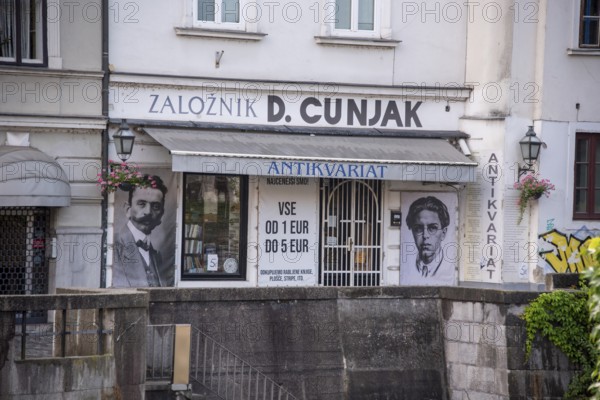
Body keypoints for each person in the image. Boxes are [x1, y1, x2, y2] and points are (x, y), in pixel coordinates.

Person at [112, 175, 170, 287]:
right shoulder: (112, 246)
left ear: (161, 214)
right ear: (128, 209)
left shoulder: (157, 256)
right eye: (141, 204)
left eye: (156, 206)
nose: (148, 212)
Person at [402, 196, 455, 285]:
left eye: (432, 228)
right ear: (412, 232)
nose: (425, 236)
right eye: (418, 228)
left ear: (443, 233)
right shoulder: (408, 268)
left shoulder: (449, 267)